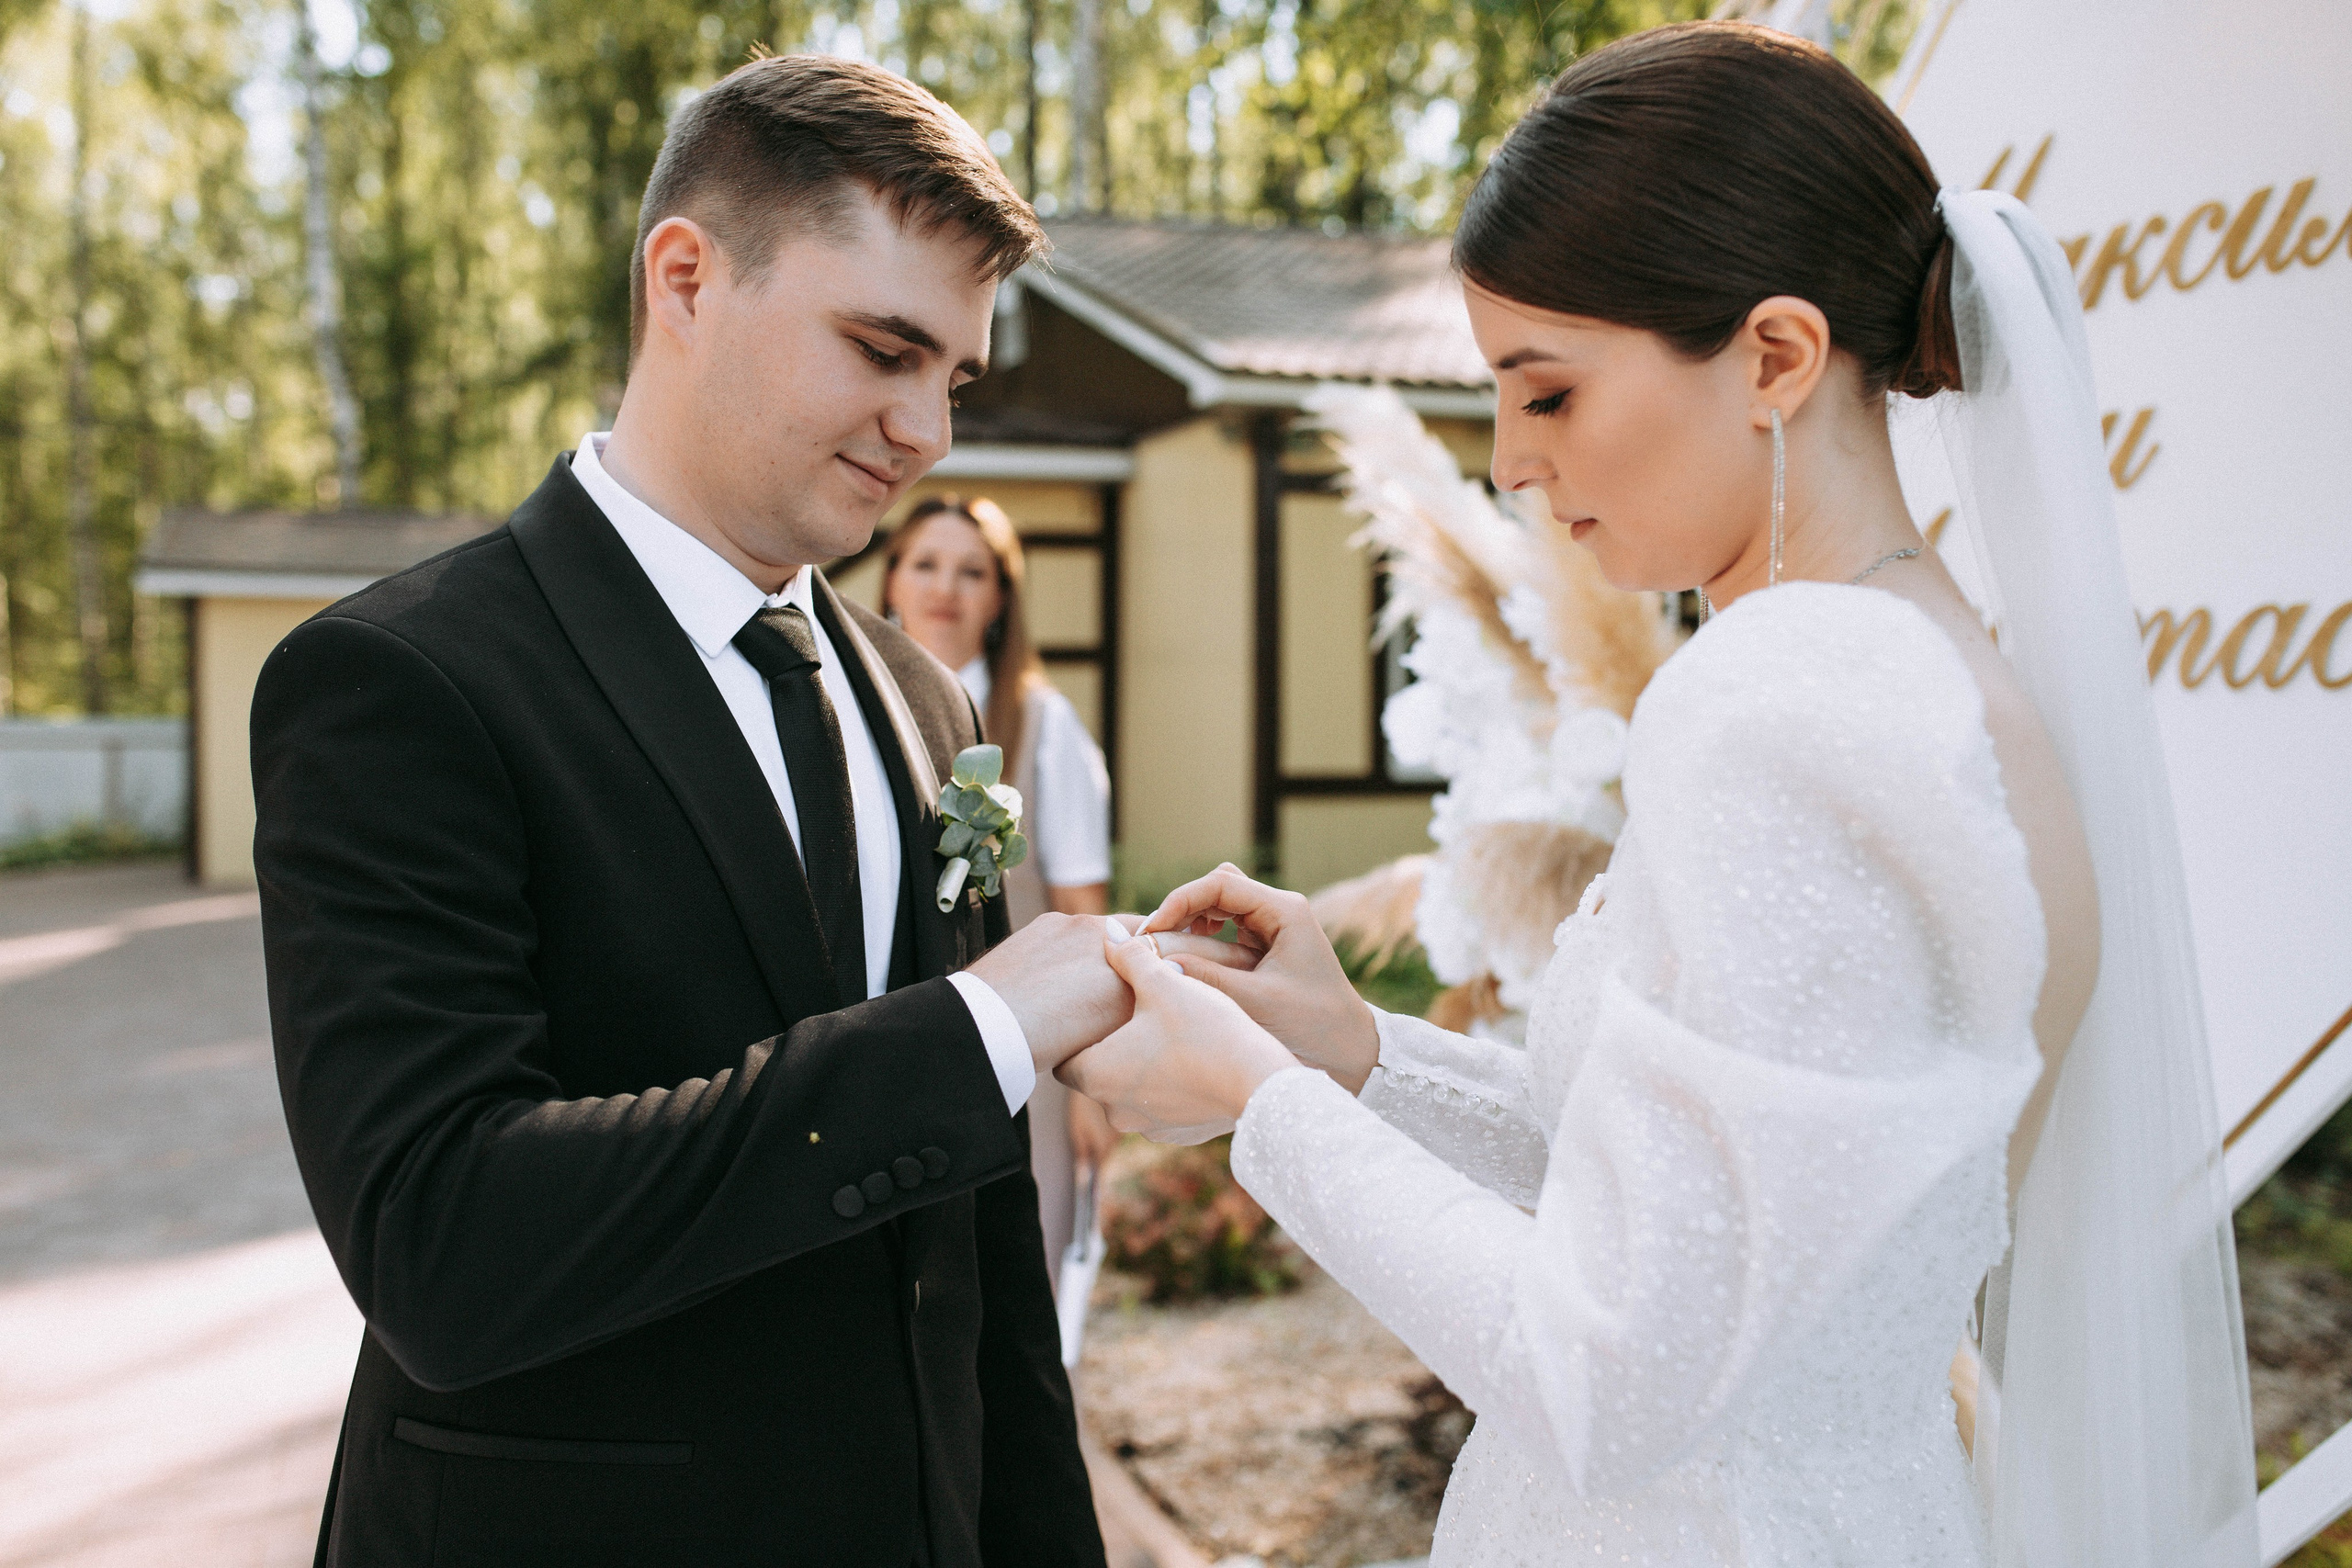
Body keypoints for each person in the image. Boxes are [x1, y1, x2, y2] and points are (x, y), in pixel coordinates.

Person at [1061, 22, 2256, 1568]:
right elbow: (1713, 1228)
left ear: (1774, 356)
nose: (1506, 462)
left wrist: (1252, 1097)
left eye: (1547, 394)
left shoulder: (1774, 701)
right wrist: (1355, 1051)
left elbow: (1606, 1374)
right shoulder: (1953, 687)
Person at [251, 55, 1124, 1568]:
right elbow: (439, 1239)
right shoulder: (397, 684)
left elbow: (975, 1268)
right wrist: (974, 1033)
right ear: (686, 278)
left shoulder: (934, 711)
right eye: (883, 348)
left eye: (954, 378)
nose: (928, 429)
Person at [881, 496, 1121, 1280]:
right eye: (925, 563)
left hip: (1026, 1057)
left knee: (1020, 1283)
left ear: (1000, 599)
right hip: (883, 1045)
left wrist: (1091, 1091)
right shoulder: (847, 713)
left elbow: (1087, 919)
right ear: (890, 581)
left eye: (972, 571)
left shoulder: (1043, 725)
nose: (945, 587)